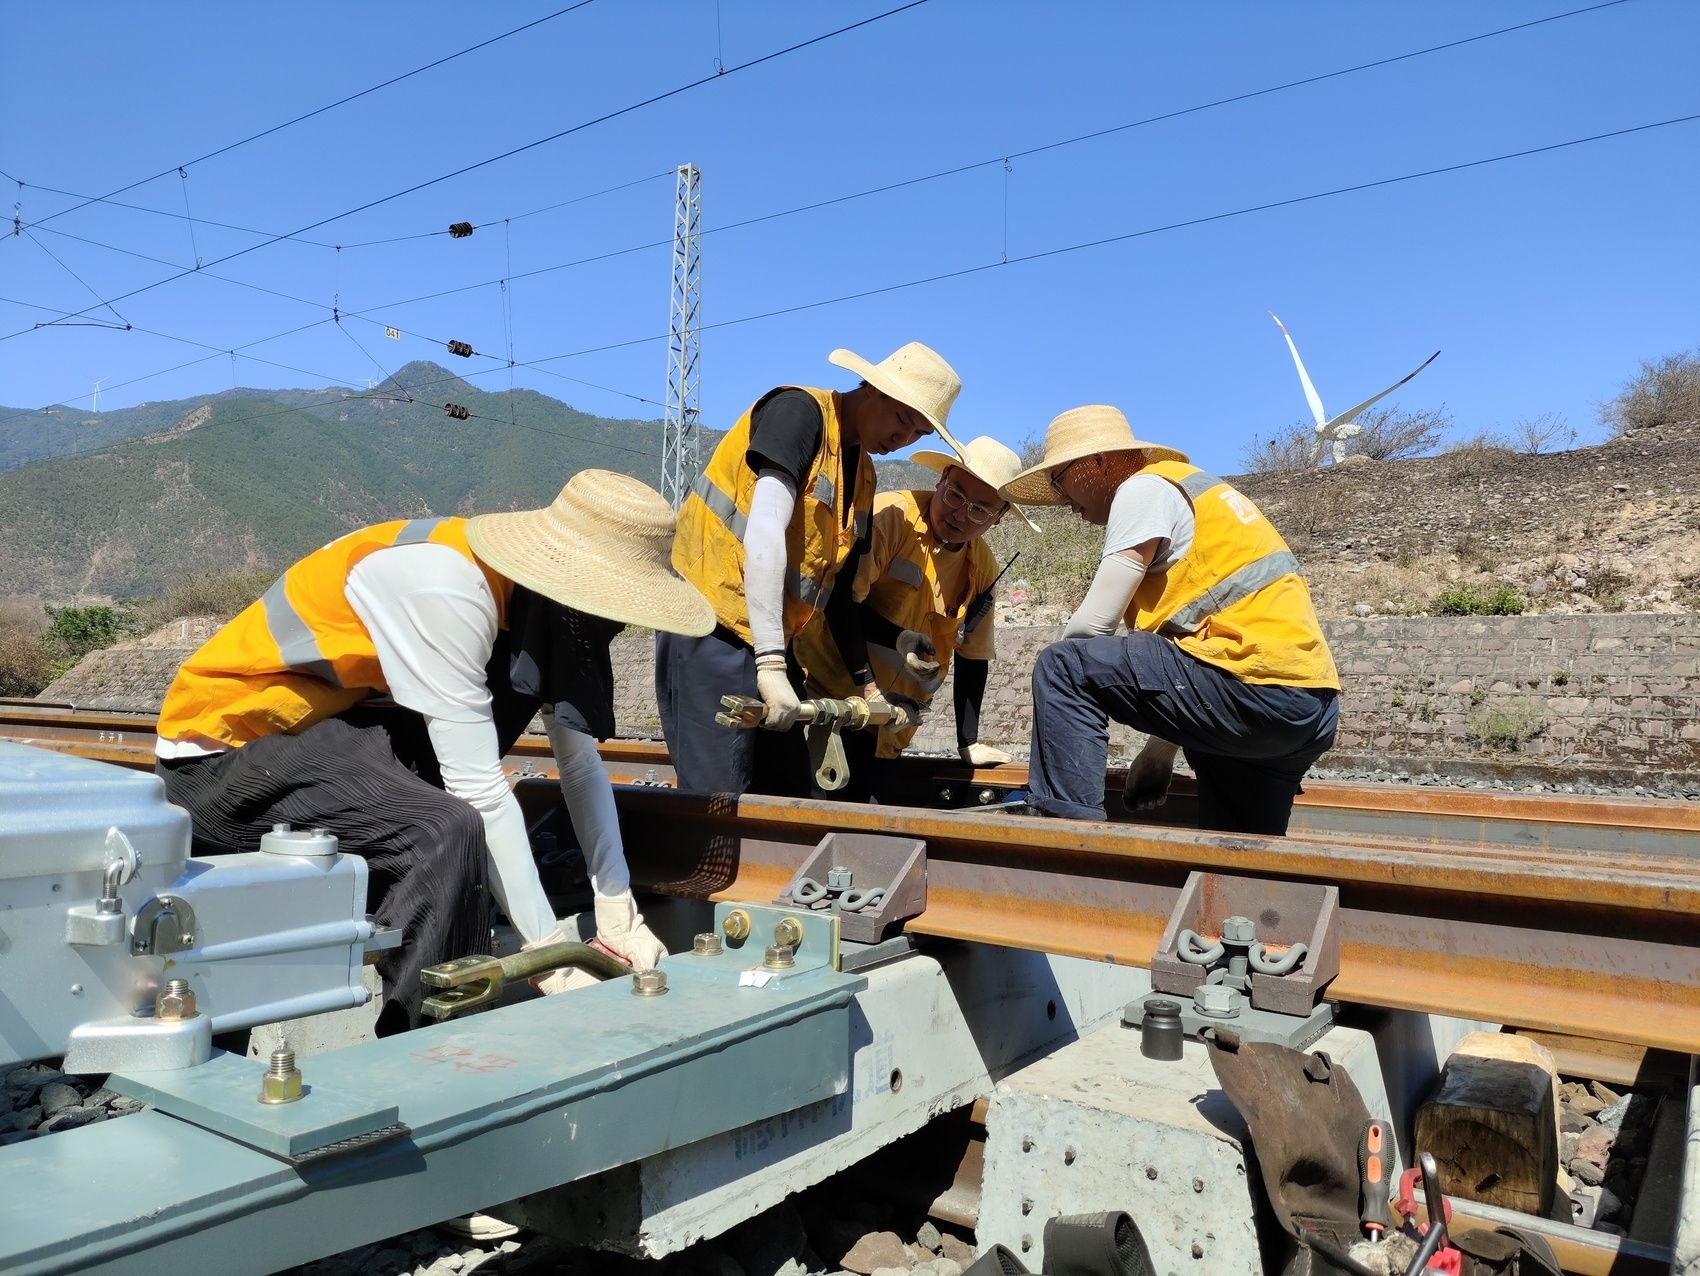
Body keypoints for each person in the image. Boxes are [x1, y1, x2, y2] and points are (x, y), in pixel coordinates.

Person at [154, 470, 715, 1035]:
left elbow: (579, 762)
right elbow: (477, 790)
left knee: (468, 809)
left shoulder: (531, 605)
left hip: (327, 732)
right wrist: (551, 956)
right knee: (445, 833)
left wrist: (619, 910)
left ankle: (437, 921)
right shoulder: (447, 587)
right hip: (223, 758)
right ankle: (422, 1047)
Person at [1000, 406, 1339, 835]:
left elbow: (1091, 630)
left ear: (1096, 462)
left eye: (1058, 480)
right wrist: (1160, 751)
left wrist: (1055, 699)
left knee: (1063, 666)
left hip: (1249, 687)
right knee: (1239, 850)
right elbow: (1195, 653)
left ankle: (1064, 841)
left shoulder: (1142, 488)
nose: (1063, 500)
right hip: (1307, 708)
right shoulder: (1199, 494)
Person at [661, 341, 966, 795]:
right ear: (874, 389)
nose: (903, 439)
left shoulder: (863, 476)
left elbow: (839, 598)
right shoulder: (799, 413)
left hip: (770, 641)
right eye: (903, 419)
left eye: (919, 433)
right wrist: (769, 664)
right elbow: (764, 528)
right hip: (711, 629)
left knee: (786, 791)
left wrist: (867, 687)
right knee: (718, 800)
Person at [793, 435, 1038, 801]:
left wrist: (967, 742)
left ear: (999, 518)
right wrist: (887, 655)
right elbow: (839, 603)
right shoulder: (891, 518)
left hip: (889, 728)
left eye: (979, 510)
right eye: (955, 494)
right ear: (941, 481)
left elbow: (973, 657)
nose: (959, 513)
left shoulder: (981, 567)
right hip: (829, 704)